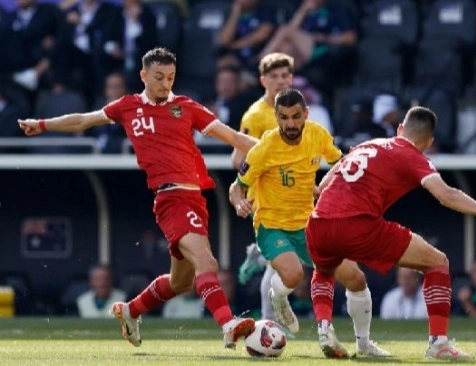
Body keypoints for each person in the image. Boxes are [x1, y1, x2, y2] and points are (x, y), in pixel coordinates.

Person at [18, 47, 258, 350]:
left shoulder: (186, 107)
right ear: (144, 75)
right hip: (170, 197)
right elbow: (82, 120)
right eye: (159, 77)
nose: (165, 83)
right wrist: (42, 125)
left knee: (180, 283)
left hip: (195, 198)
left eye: (170, 77)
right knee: (206, 260)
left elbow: (236, 138)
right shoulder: (127, 106)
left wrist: (276, 149)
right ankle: (228, 324)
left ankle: (130, 310)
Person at [306, 106, 476, 360]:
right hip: (357, 223)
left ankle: (325, 328)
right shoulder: (412, 156)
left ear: (399, 129)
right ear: (428, 142)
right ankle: (438, 344)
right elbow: (447, 195)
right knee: (438, 262)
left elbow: (323, 187)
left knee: (324, 271)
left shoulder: (367, 145)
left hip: (318, 222)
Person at [230, 88, 390, 357]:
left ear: (306, 114)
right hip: (272, 224)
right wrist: (239, 203)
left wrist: (327, 188)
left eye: (295, 116)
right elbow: (237, 187)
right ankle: (278, 295)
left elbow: (340, 164)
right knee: (294, 275)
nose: (290, 124)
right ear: (276, 117)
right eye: (283, 118)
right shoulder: (265, 148)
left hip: (309, 224)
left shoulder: (317, 134)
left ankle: (364, 345)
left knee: (355, 277)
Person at [231, 52, 293, 325]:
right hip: (267, 196)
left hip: (294, 192)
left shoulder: (295, 108)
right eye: (275, 76)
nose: (281, 81)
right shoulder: (256, 115)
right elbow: (238, 159)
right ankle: (270, 324)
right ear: (263, 80)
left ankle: (257, 253)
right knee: (282, 261)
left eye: (285, 76)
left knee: (292, 260)